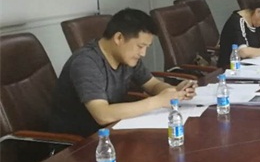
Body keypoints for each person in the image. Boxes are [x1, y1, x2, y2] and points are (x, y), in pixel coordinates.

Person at [49, 8, 196, 138]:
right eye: (140, 46)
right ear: (119, 38)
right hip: (79, 143)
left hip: (112, 130)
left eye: (147, 47)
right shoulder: (86, 62)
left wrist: (174, 92)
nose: (143, 53)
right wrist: (158, 101)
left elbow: (152, 85)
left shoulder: (127, 57)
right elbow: (102, 115)